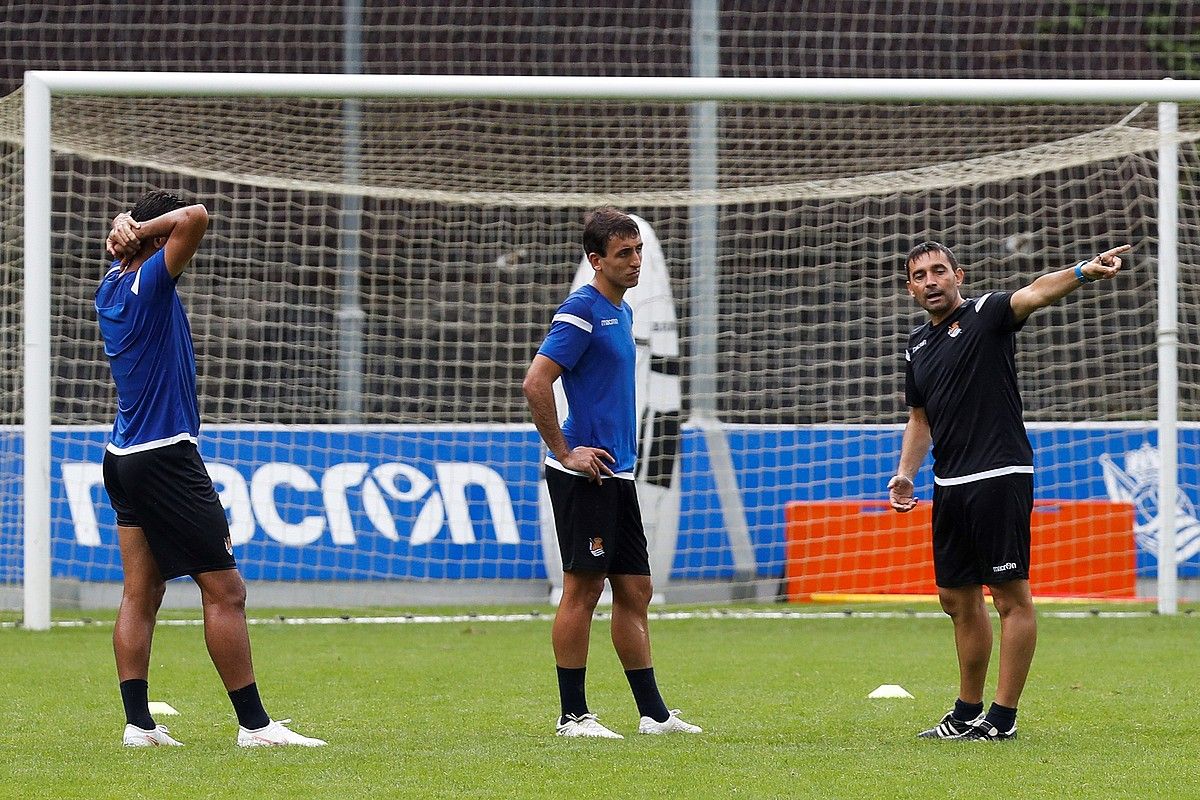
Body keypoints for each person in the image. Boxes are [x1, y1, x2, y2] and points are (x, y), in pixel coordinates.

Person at [97, 190, 325, 748]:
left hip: (122, 456)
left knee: (139, 593)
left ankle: (138, 725)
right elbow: (196, 218)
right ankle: (254, 726)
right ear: (153, 237)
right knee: (226, 591)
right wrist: (140, 225)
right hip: (165, 455)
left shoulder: (109, 284)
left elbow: (178, 225)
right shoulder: (150, 284)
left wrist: (128, 229)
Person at [889, 240, 1130, 741]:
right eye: (920, 275)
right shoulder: (916, 345)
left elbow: (1036, 294)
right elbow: (919, 419)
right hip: (948, 483)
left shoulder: (986, 313)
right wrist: (907, 472)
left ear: (959, 275)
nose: (931, 281)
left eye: (939, 271)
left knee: (1009, 596)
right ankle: (965, 711)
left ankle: (1002, 719)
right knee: (956, 600)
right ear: (910, 288)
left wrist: (1084, 270)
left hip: (1000, 475)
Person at [523, 207, 702, 739]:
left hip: (619, 475)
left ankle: (654, 715)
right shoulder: (580, 311)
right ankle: (572, 716)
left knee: (636, 590)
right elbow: (537, 383)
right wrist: (567, 451)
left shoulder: (621, 313)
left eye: (638, 250)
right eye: (623, 253)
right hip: (587, 476)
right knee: (582, 590)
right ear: (595, 260)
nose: (635, 262)